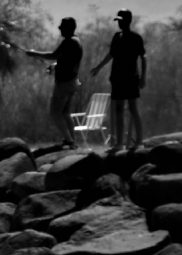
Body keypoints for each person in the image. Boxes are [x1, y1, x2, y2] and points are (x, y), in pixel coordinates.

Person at [90, 9, 147, 150]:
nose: (119, 23)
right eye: (118, 21)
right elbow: (111, 55)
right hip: (117, 77)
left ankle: (139, 141)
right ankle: (119, 143)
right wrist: (98, 67)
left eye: (121, 20)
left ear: (128, 21)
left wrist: (143, 77)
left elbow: (143, 57)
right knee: (119, 109)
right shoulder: (117, 37)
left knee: (133, 108)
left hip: (131, 77)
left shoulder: (136, 38)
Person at [24, 17, 83, 149]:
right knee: (66, 113)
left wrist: (34, 54)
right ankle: (72, 141)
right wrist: (56, 66)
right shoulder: (77, 41)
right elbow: (66, 60)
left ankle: (69, 141)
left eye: (62, 26)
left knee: (55, 113)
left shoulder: (69, 42)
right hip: (73, 82)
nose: (59, 28)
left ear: (68, 28)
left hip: (64, 84)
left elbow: (53, 55)